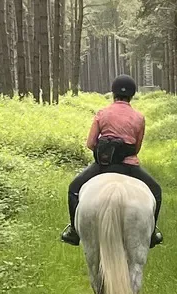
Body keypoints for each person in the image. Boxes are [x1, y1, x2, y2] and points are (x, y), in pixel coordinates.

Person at [61, 75, 163, 247]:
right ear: (132, 94)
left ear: (113, 93)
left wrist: (106, 154)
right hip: (129, 166)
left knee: (73, 189)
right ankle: (152, 232)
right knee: (157, 192)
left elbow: (90, 143)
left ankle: (74, 230)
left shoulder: (102, 113)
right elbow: (137, 147)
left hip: (103, 166)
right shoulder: (139, 117)